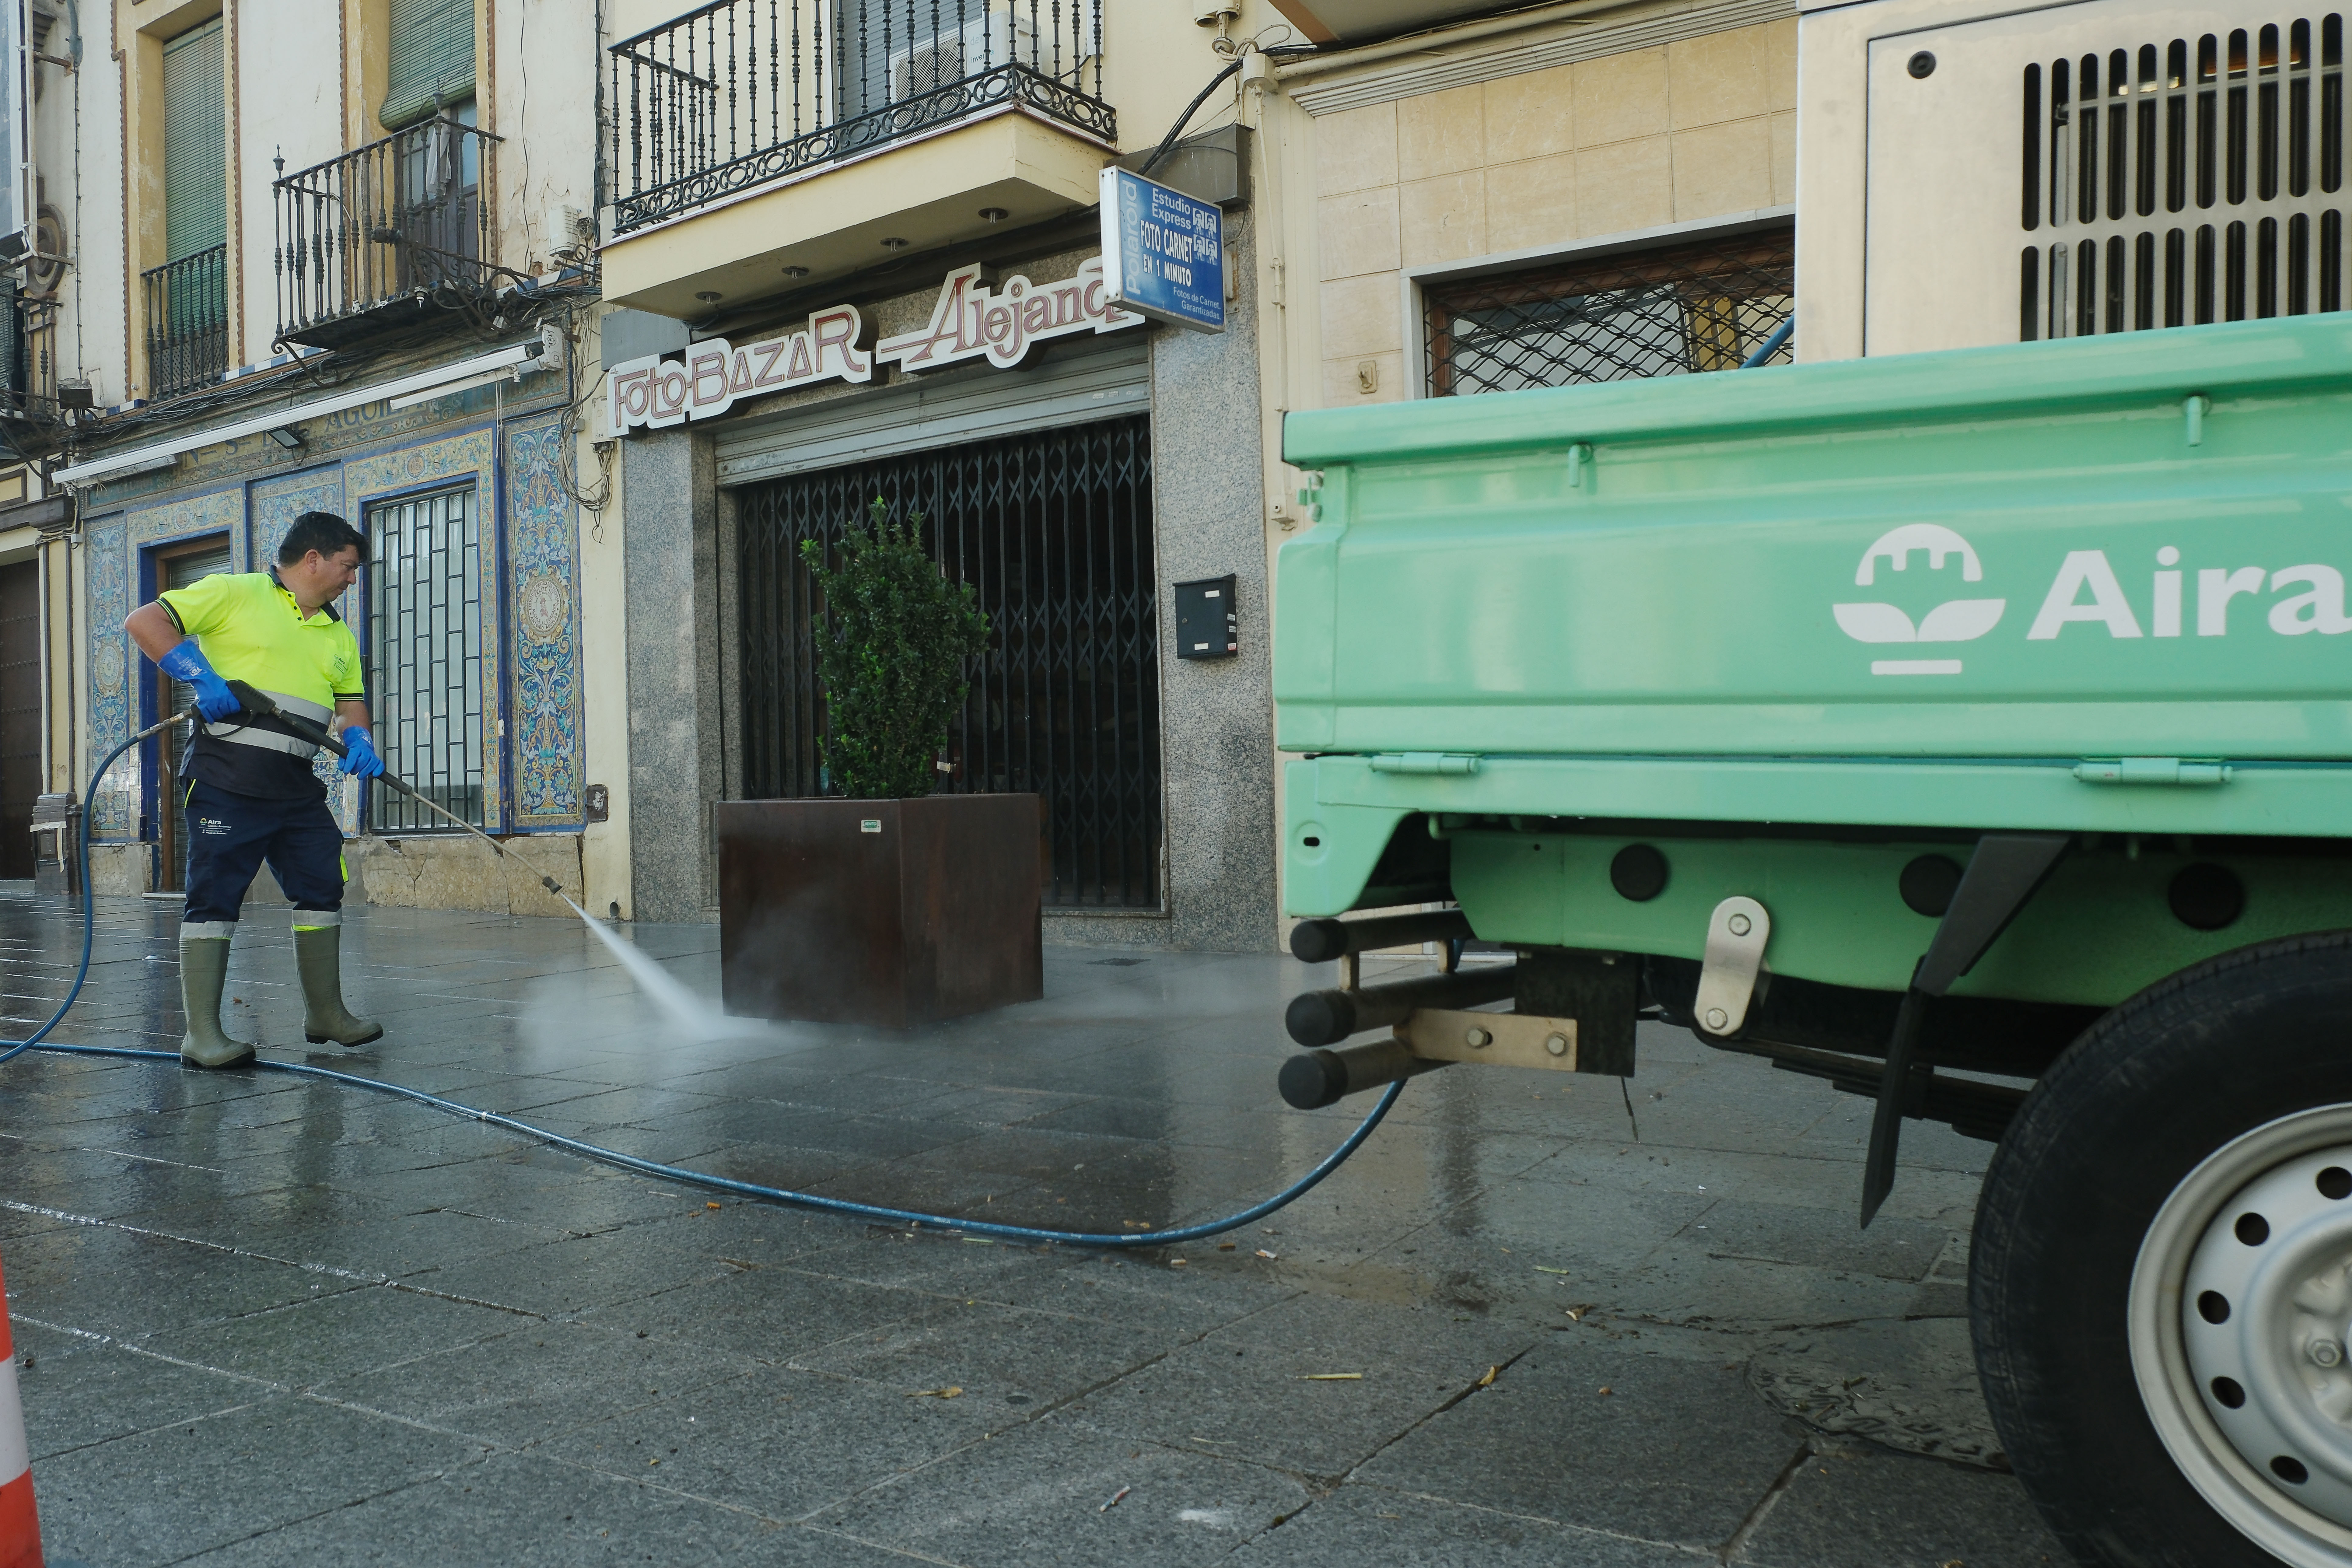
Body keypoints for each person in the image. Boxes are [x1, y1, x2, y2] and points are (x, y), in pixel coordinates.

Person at [123, 511, 388, 1068]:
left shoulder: (336, 631)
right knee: (215, 897)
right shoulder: (233, 592)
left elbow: (350, 701)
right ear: (313, 559)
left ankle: (326, 1014)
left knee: (323, 888)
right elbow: (145, 621)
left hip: (296, 787)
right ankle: (202, 1036)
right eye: (347, 567)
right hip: (226, 780)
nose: (352, 579)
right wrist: (199, 674)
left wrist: (359, 737)